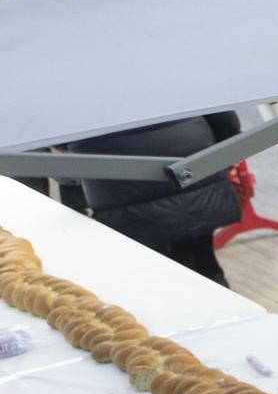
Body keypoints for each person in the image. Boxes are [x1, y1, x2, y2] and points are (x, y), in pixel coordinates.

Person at [70, 113, 244, 285]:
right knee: (201, 257)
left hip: (125, 192)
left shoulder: (74, 91)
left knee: (158, 276)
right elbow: (226, 121)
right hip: (193, 172)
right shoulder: (169, 84)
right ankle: (230, 305)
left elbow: (61, 151)